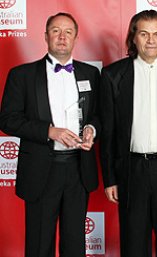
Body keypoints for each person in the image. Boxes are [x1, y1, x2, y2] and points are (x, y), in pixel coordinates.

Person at [0, 12, 100, 257]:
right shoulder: (21, 75)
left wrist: (91, 129)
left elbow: (98, 115)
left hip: (78, 170)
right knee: (39, 243)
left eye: (68, 31)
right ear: (46, 36)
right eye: (56, 31)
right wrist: (49, 131)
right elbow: (8, 120)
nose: (62, 36)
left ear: (76, 37)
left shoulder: (91, 74)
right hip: (41, 170)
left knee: (75, 243)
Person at [100, 10, 157, 257]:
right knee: (134, 242)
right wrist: (110, 178)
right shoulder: (113, 75)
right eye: (144, 34)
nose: (151, 40)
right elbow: (108, 131)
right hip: (132, 170)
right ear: (134, 38)